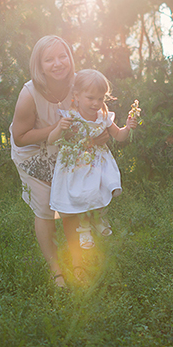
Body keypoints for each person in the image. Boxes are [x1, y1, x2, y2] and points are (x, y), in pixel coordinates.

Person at [10, 35, 108, 288]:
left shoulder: (79, 83)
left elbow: (98, 106)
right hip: (33, 153)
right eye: (49, 59)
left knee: (70, 205)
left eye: (62, 56)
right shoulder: (29, 94)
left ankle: (78, 265)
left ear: (70, 58)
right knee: (45, 207)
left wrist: (101, 132)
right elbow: (20, 137)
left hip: (65, 151)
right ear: (39, 66)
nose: (58, 63)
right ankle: (56, 272)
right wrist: (55, 129)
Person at [47, 69, 138, 250]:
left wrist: (127, 127)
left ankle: (97, 218)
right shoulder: (70, 116)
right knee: (83, 194)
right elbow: (51, 140)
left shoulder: (103, 117)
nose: (96, 103)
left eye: (100, 98)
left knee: (100, 190)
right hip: (76, 163)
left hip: (98, 162)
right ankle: (84, 229)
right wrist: (59, 128)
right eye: (90, 98)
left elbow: (119, 136)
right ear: (77, 96)